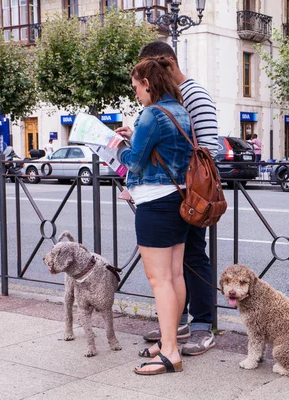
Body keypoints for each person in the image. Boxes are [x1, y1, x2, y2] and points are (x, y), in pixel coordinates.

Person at [132, 41, 219, 357]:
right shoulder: (169, 100)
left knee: (193, 257)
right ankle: (177, 325)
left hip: (190, 193)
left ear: (167, 63)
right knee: (176, 265)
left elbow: (211, 147)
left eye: (152, 69)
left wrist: (182, 174)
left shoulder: (194, 94)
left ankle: (202, 327)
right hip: (175, 191)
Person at [116, 57, 193, 375]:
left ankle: (170, 352)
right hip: (179, 200)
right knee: (175, 276)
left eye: (136, 87)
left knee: (159, 280)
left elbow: (133, 162)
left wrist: (118, 145)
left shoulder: (151, 113)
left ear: (148, 83)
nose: (135, 93)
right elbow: (163, 148)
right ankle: (168, 341)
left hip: (154, 203)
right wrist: (136, 134)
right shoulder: (179, 110)